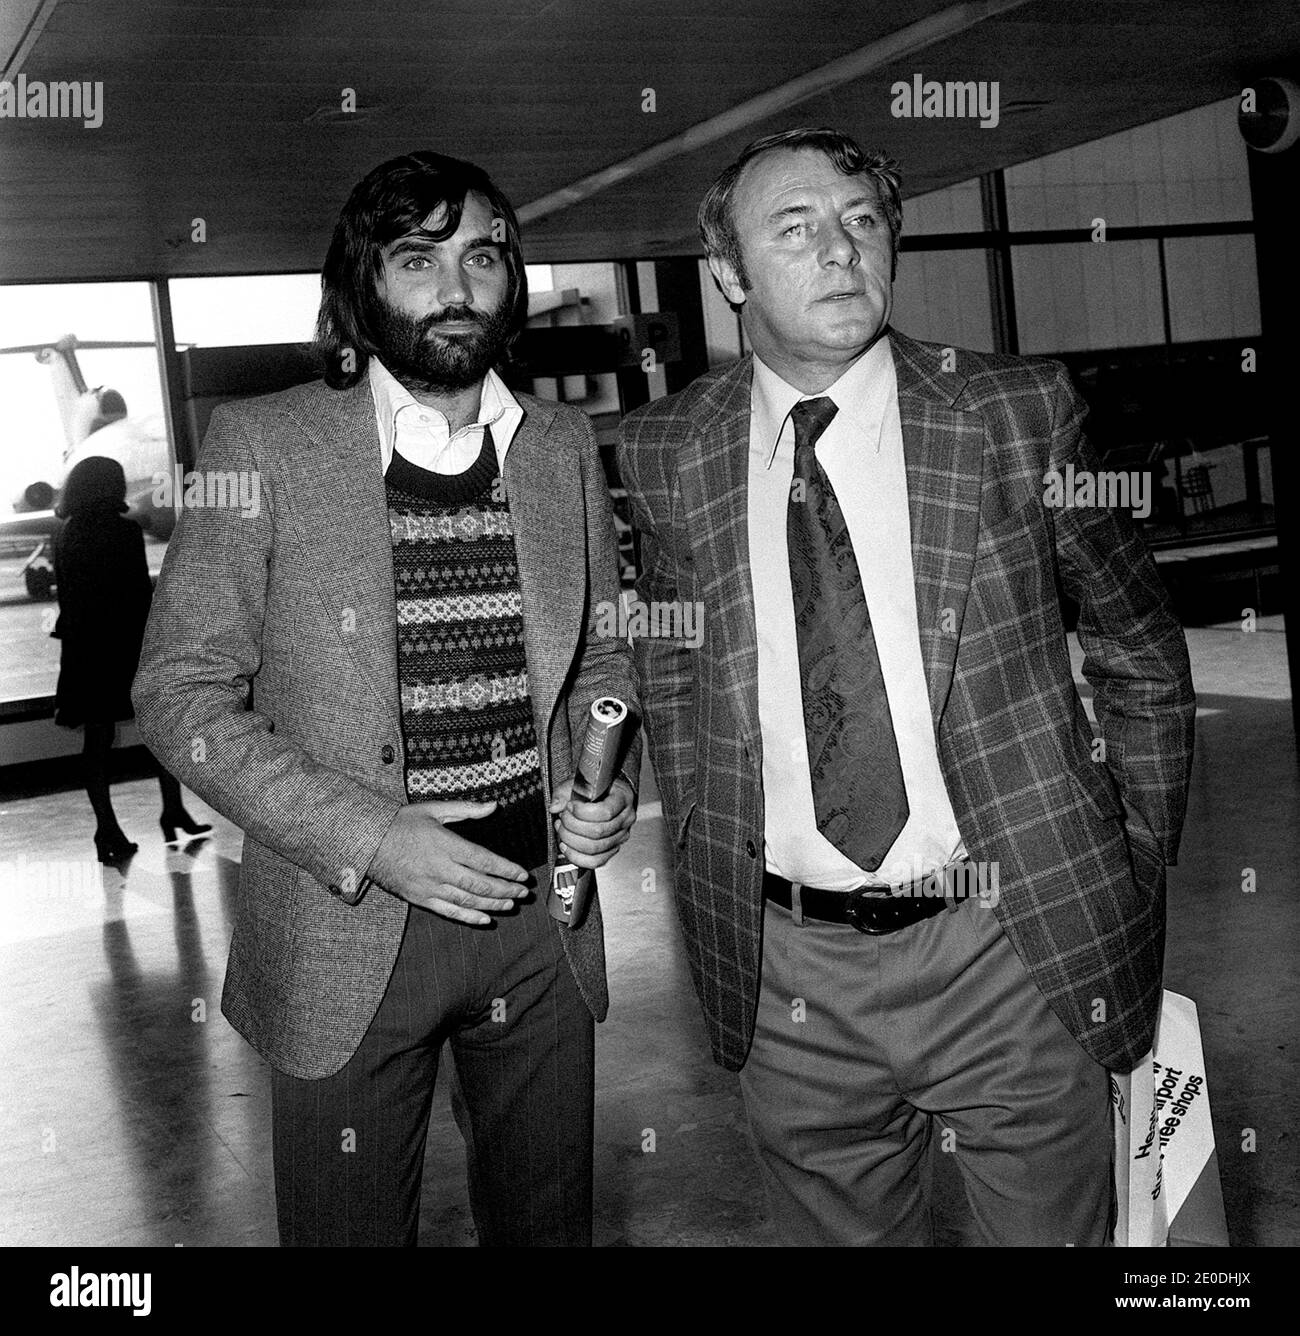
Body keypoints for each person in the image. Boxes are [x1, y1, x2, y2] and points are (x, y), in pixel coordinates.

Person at [616, 126, 1195, 1246]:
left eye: (862, 222)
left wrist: (1126, 858)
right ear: (728, 273)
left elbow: (1137, 644)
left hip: (1009, 942)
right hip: (787, 973)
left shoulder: (1014, 412)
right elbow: (679, 675)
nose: (841, 252)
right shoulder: (665, 446)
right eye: (795, 229)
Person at [132, 151, 639, 1247]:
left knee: (548, 1228)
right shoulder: (261, 445)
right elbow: (178, 695)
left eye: (485, 256)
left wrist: (609, 789)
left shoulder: (554, 447)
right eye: (420, 258)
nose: (459, 286)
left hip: (537, 925)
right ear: (362, 287)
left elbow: (600, 660)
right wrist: (373, 836)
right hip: (347, 925)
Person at [51, 454, 209, 865]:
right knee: (158, 727)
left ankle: (107, 826)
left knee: (97, 740)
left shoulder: (65, 533)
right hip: (126, 644)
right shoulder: (123, 532)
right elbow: (138, 595)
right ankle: (172, 809)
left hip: (87, 650)